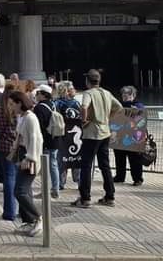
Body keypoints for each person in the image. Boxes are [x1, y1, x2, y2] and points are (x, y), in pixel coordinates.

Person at [71, 69, 122, 208]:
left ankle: (85, 197)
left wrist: (84, 120)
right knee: (105, 164)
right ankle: (110, 196)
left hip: (92, 133)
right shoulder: (107, 93)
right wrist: (107, 118)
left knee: (86, 165)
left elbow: (84, 106)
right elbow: (119, 107)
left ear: (88, 81)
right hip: (105, 132)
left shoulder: (88, 93)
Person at [8, 90, 44, 237]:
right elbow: (20, 137)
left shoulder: (30, 118)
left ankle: (38, 218)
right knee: (25, 190)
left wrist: (30, 158)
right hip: (22, 154)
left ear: (19, 103)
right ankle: (29, 220)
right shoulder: (21, 117)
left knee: (20, 191)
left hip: (30, 156)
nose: (10, 107)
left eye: (12, 104)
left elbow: (36, 140)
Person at [0, 86, 18, 221]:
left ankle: (9, 211)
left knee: (8, 178)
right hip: (17, 145)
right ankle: (17, 208)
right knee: (17, 178)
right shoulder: (18, 108)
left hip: (3, 146)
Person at [32, 84, 60, 198]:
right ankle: (55, 189)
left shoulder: (39, 108)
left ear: (43, 94)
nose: (36, 95)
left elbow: (39, 126)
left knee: (44, 166)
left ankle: (45, 191)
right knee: (54, 165)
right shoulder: (54, 105)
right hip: (55, 138)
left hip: (45, 141)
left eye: (38, 93)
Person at [114, 85, 145, 186]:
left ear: (133, 95)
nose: (125, 96)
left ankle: (138, 179)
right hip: (120, 135)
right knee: (119, 158)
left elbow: (141, 118)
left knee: (135, 159)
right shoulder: (118, 104)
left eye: (127, 95)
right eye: (123, 94)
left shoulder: (138, 105)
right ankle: (119, 176)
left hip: (134, 137)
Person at [54, 81, 81, 190]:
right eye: (72, 88)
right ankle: (64, 182)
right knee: (65, 158)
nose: (74, 90)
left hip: (74, 134)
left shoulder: (76, 102)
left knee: (71, 158)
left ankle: (69, 181)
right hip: (64, 134)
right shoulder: (59, 103)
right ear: (66, 90)